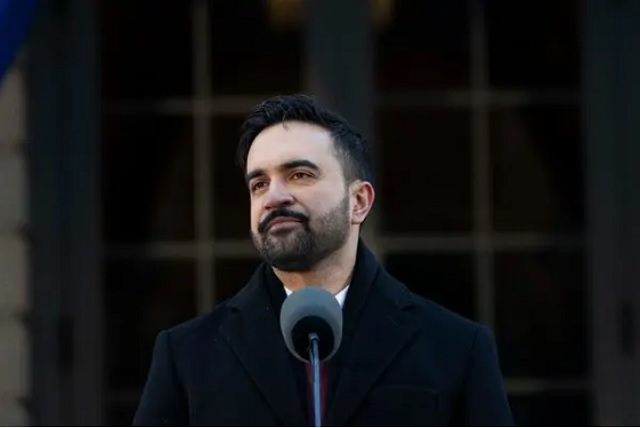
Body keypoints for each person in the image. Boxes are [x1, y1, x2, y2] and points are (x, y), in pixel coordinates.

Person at [132, 94, 514, 426]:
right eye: (259, 184)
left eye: (299, 175)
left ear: (359, 201)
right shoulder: (186, 356)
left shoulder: (457, 348)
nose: (274, 197)